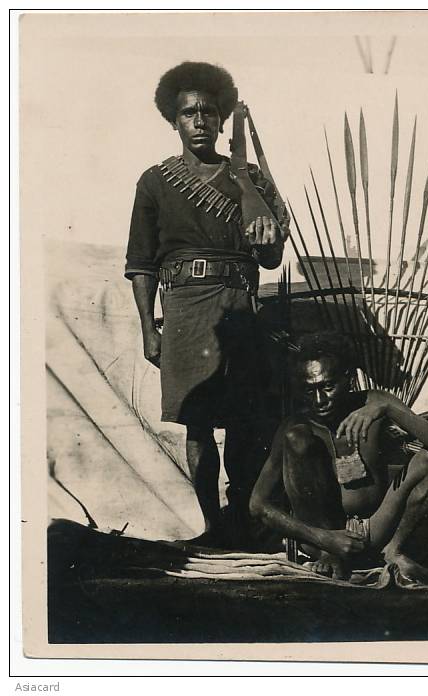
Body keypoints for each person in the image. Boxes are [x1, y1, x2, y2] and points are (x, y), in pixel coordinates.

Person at [125, 61, 287, 546]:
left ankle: (241, 520)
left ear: (222, 120)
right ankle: (212, 526)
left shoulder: (249, 179)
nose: (200, 121)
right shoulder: (155, 182)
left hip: (239, 306)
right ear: (173, 121)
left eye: (209, 112)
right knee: (198, 425)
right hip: (186, 310)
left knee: (243, 423)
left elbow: (273, 257)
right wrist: (148, 329)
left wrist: (265, 239)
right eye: (189, 112)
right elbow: (141, 264)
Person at [249, 333, 428, 584]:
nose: (319, 400)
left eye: (328, 387)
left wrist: (386, 408)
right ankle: (332, 556)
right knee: (297, 439)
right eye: (309, 390)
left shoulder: (373, 403)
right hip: (325, 538)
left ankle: (394, 550)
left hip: (377, 526)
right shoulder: (296, 425)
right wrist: (324, 539)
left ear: (348, 378)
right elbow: (258, 504)